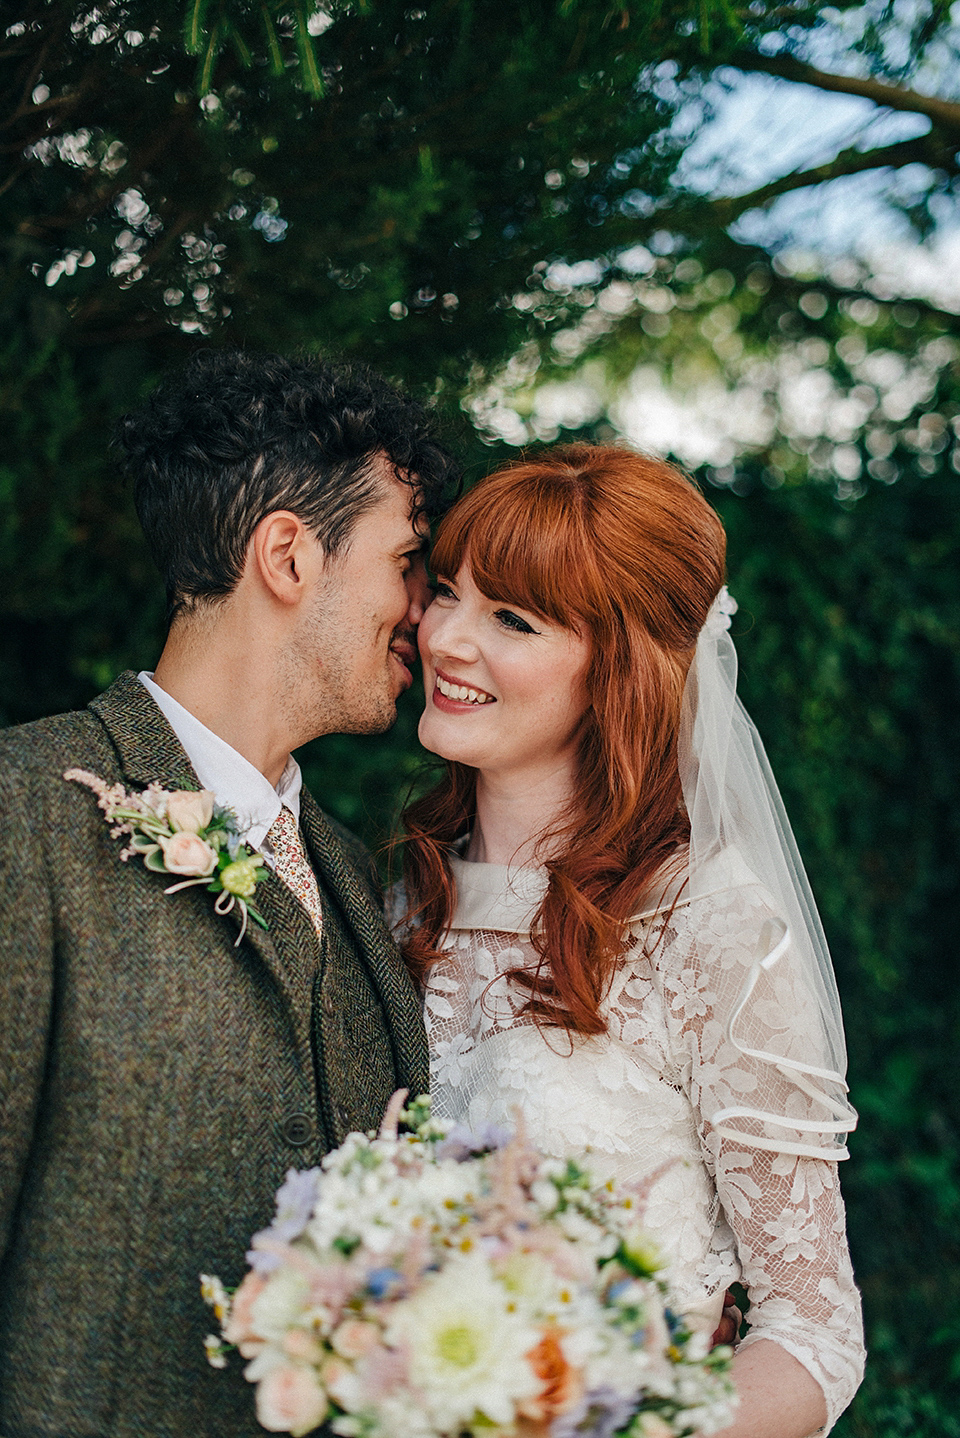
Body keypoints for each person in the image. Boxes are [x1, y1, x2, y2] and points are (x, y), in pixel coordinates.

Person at [0, 350, 458, 1438]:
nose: (427, 613)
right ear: (289, 555)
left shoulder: (360, 881)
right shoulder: (24, 810)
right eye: (408, 562)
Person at [400, 445, 866, 1438]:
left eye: (510, 619)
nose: (446, 638)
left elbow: (815, 1328)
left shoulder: (710, 923)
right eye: (446, 592)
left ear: (619, 667)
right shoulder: (390, 898)